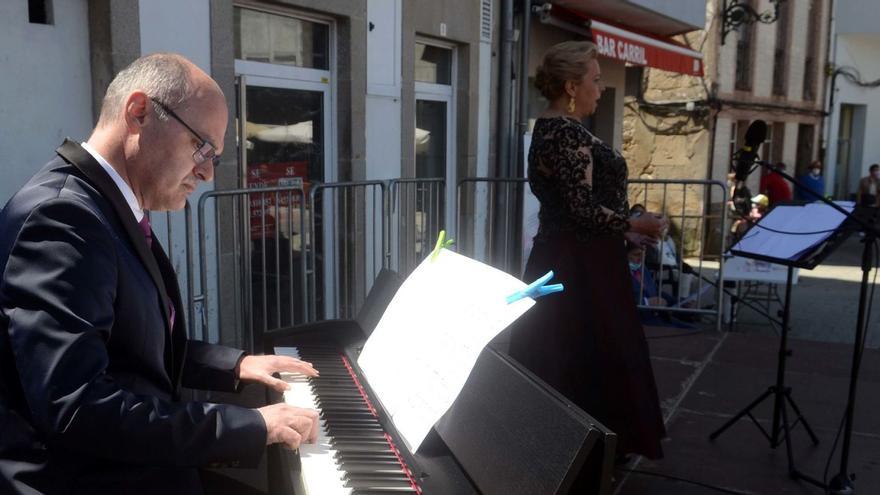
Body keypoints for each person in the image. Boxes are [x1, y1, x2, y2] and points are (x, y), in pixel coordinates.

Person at [0, 53, 321, 495]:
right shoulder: (61, 220)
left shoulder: (105, 207)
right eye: (202, 147)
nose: (207, 171)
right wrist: (246, 424)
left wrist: (236, 364)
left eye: (215, 157)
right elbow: (77, 407)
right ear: (139, 113)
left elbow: (131, 349)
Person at [507, 41, 668, 466]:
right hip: (580, 266)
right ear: (571, 86)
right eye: (595, 80)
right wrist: (635, 225)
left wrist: (625, 234)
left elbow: (575, 207)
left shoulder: (550, 129)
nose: (601, 88)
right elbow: (580, 208)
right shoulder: (565, 133)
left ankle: (565, 448)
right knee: (582, 350)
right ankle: (578, 452)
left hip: (572, 256)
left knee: (563, 347)